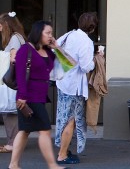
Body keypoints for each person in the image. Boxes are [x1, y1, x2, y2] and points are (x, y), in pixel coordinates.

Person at [10, 20, 67, 169]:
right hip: (28, 97)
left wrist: (57, 47)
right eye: (47, 33)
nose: (50, 36)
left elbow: (68, 64)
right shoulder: (25, 50)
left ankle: (13, 164)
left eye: (51, 33)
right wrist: (22, 96)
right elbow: (21, 75)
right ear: (38, 33)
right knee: (45, 130)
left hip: (39, 96)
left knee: (24, 131)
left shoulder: (48, 52)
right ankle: (52, 165)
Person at [54, 12, 97, 165]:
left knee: (63, 117)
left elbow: (55, 49)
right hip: (74, 86)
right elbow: (86, 67)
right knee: (71, 120)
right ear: (92, 28)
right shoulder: (86, 42)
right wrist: (96, 60)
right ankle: (62, 154)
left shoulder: (69, 35)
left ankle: (63, 149)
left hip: (63, 81)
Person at [0, 12, 26, 154]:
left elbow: (14, 58)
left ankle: (13, 143)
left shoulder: (15, 39)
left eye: (0, 24)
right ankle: (14, 142)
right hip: (16, 79)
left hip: (13, 80)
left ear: (6, 25)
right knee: (11, 110)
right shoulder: (17, 37)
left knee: (10, 111)